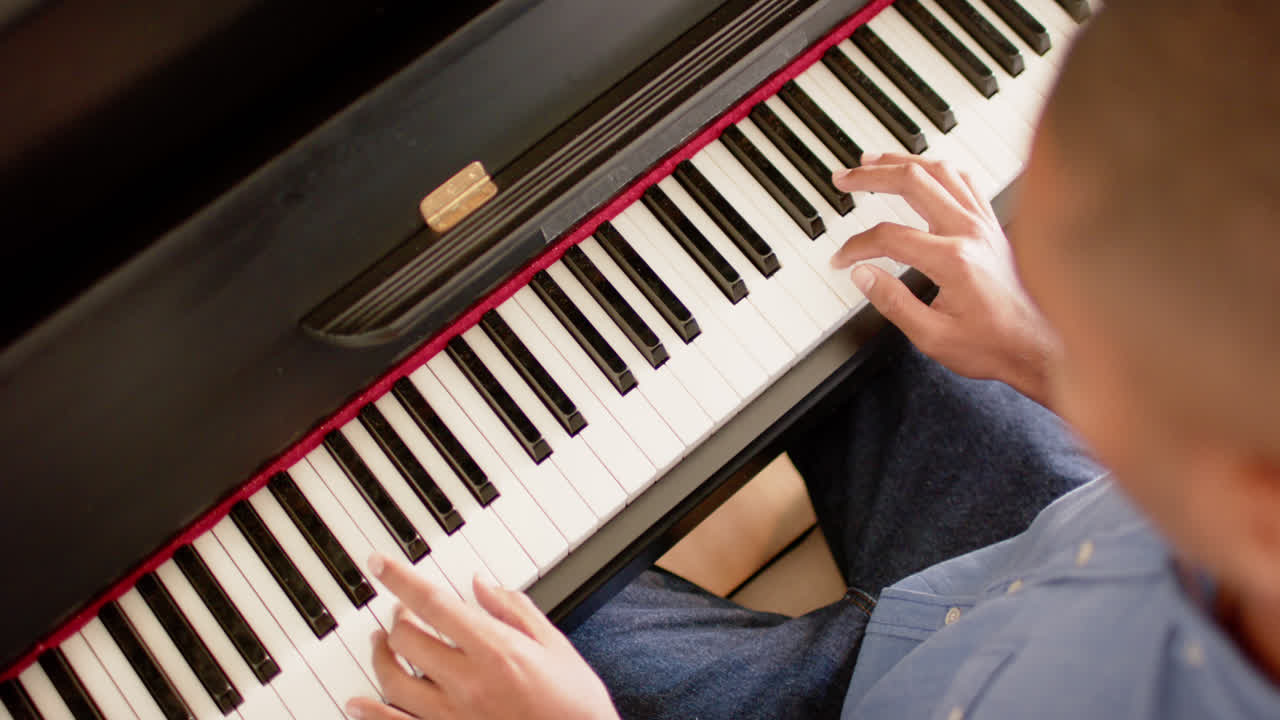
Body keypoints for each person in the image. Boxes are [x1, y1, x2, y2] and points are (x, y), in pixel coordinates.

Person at [343, 1, 1280, 718]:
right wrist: (1040, 355)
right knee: (873, 285)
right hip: (1018, 558)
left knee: (408, 609)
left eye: (1088, 327)